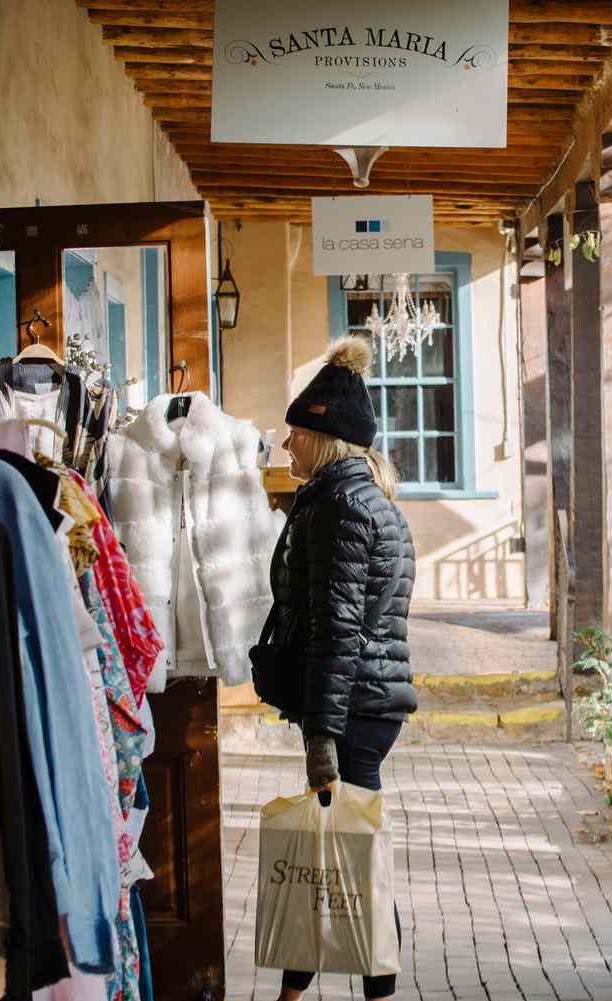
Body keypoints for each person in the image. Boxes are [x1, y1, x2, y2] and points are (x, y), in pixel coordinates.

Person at [253, 337, 417, 1001]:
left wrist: (321, 736)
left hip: (350, 711)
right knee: (333, 857)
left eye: (295, 433)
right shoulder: (364, 500)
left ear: (322, 437)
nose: (286, 445)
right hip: (363, 705)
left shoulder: (340, 508)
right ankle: (296, 993)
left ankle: (351, 993)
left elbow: (339, 631)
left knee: (353, 863)